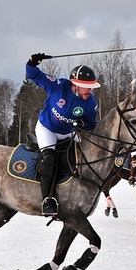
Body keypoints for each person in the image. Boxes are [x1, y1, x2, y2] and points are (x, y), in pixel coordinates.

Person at [26, 53, 100, 216]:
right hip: (47, 129)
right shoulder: (58, 86)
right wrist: (32, 63)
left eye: (91, 87)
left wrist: (82, 124)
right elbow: (34, 75)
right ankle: (47, 200)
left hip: (67, 133)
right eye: (87, 87)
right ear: (75, 85)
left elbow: (90, 123)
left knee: (82, 157)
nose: (90, 91)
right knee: (49, 158)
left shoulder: (90, 102)